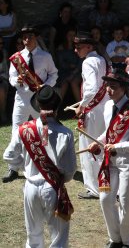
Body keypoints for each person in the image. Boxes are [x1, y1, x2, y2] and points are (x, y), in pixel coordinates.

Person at [3, 85, 76, 247]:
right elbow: (70, 170)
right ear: (56, 107)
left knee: (33, 235)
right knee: (59, 237)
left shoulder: (23, 130)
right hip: (53, 188)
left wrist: (25, 166)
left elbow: (8, 155)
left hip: (30, 187)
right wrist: (59, 176)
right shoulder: (65, 133)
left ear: (38, 105)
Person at [88, 69, 129, 248]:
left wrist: (117, 147)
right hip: (110, 161)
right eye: (107, 86)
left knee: (126, 203)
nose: (108, 90)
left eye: (113, 87)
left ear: (123, 88)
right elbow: (108, 134)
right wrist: (98, 142)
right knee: (105, 199)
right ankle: (115, 238)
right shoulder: (108, 107)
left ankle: (128, 242)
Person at [3, 24, 58, 183]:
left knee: (43, 130)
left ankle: (46, 164)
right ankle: (13, 167)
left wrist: (46, 87)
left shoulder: (45, 56)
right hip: (21, 99)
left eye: (30, 37)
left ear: (36, 38)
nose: (27, 40)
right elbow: (11, 77)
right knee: (16, 130)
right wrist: (17, 81)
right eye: (24, 38)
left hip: (39, 99)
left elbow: (54, 74)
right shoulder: (17, 57)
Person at [74, 31, 109, 199]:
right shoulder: (102, 60)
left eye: (79, 47)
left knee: (90, 147)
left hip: (93, 110)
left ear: (89, 47)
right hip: (105, 108)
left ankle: (95, 189)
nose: (76, 50)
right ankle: (107, 182)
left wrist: (82, 105)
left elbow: (92, 88)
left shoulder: (88, 62)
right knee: (102, 145)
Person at [56, 27, 82, 103]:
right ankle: (56, 108)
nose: (71, 37)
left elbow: (80, 61)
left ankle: (81, 108)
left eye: (73, 35)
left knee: (74, 82)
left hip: (77, 71)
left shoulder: (79, 47)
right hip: (64, 71)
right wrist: (69, 66)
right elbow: (61, 63)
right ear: (66, 36)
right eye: (70, 35)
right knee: (64, 82)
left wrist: (74, 71)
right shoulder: (61, 48)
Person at [0, 36, 9, 124]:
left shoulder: (4, 53)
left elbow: (6, 71)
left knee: (1, 89)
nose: (1, 45)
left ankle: (2, 113)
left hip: (2, 79)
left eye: (2, 43)